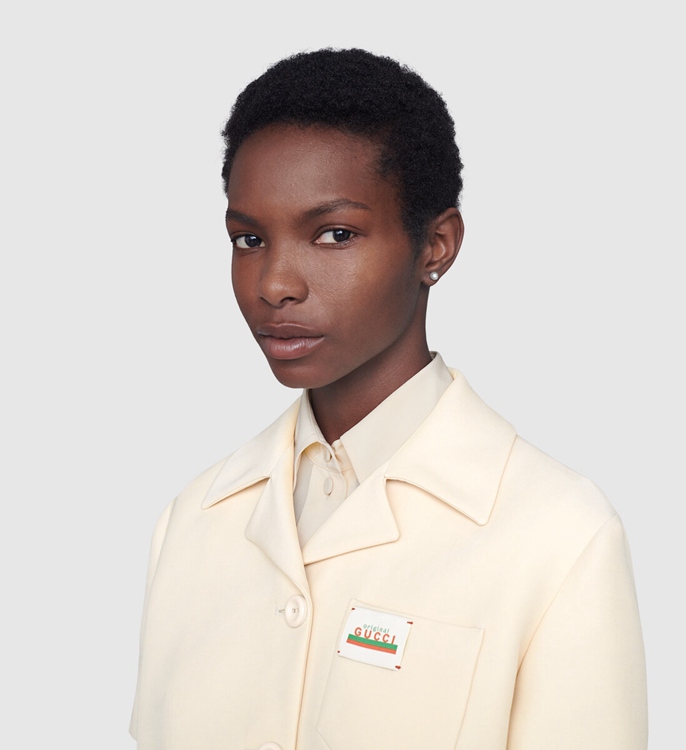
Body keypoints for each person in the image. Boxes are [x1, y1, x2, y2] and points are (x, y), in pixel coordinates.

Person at [130, 48, 647, 750]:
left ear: (436, 245)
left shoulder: (558, 535)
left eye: (334, 234)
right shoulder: (192, 522)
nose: (274, 283)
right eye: (249, 238)